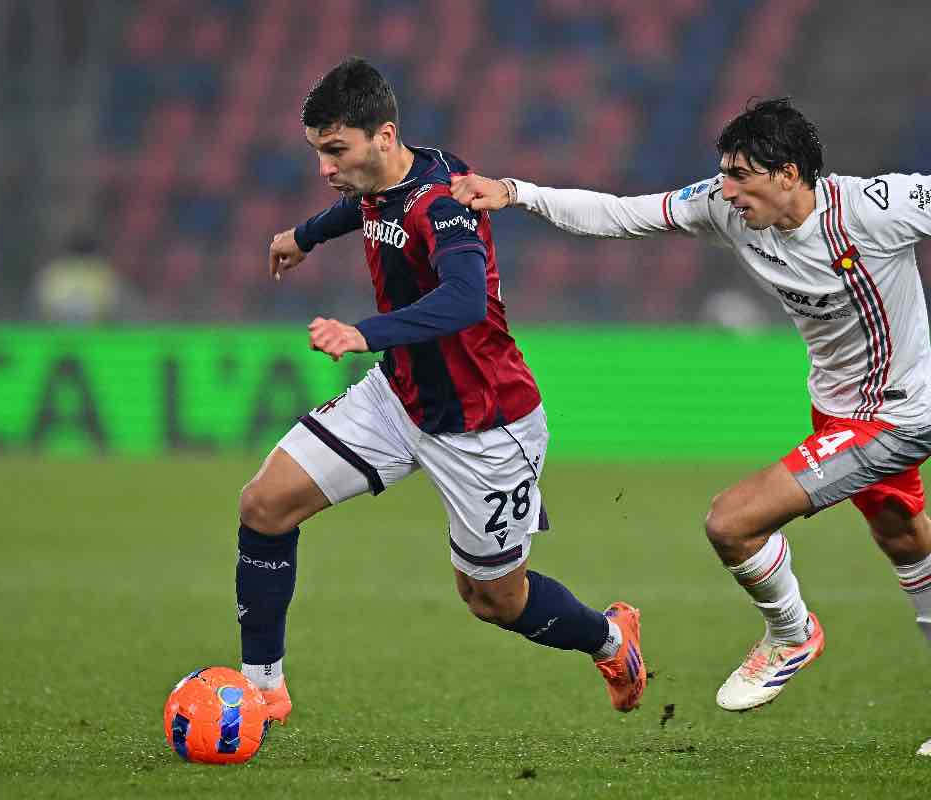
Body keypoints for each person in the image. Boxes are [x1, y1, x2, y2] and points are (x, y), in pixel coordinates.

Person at [451, 97, 931, 756]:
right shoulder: (724, 209)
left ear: (788, 173)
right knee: (901, 532)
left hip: (897, 413)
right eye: (723, 174)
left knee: (732, 521)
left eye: (740, 175)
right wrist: (514, 193)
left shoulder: (874, 207)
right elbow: (620, 215)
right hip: (837, 408)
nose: (726, 191)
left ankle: (791, 634)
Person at [241, 57, 647, 723]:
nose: (324, 167)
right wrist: (304, 236)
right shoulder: (391, 175)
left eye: (335, 150)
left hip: (486, 427)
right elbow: (363, 207)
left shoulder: (444, 203)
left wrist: (362, 332)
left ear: (384, 135)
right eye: (318, 152)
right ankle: (261, 690)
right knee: (264, 505)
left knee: (494, 600)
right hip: (398, 398)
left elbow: (462, 300)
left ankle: (610, 639)